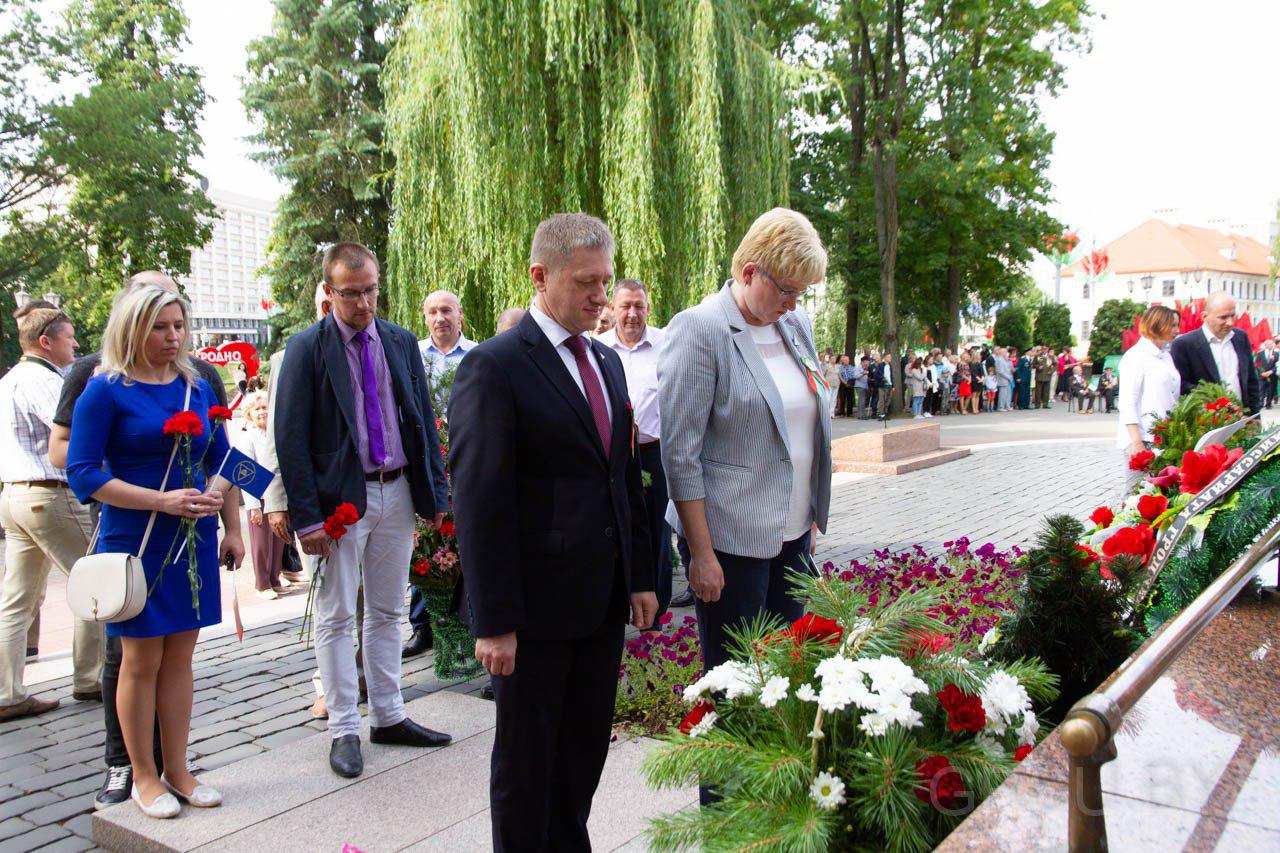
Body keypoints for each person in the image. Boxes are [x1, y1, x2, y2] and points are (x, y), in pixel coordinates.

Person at [449, 213, 656, 851]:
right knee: (526, 764)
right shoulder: (496, 366)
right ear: (541, 278)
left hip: (599, 600)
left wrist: (643, 576)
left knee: (584, 749)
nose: (601, 296)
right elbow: (481, 501)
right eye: (586, 282)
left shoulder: (606, 362)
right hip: (533, 612)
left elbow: (624, 477)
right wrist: (494, 619)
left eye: (606, 280)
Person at [47, 271, 230, 811]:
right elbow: (81, 473)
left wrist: (216, 494)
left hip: (192, 536)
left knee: (181, 659)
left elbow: (224, 456)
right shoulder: (104, 389)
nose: (173, 337)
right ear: (132, 329)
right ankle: (143, 776)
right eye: (159, 328)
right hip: (135, 537)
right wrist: (162, 500)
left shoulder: (194, 385)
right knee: (139, 660)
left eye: (179, 326)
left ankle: (180, 770)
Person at [276, 242, 452, 780]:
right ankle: (343, 728)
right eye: (351, 293)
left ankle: (390, 716)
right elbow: (292, 436)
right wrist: (306, 517)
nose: (363, 303)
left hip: (397, 491)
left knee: (387, 611)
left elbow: (421, 419)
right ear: (329, 294)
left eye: (371, 290)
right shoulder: (306, 349)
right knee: (335, 616)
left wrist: (435, 496)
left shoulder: (398, 340)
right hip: (339, 502)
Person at [660, 206, 831, 687]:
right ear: (749, 270)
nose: (794, 304)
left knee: (786, 677)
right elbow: (680, 455)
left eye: (802, 292)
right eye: (787, 289)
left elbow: (804, 426)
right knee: (738, 682)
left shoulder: (796, 328)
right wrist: (701, 554)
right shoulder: (699, 329)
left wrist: (809, 512)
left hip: (793, 533)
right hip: (728, 542)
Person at [0, 305, 103, 722]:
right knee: (95, 582)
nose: (75, 344)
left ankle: (7, 692)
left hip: (16, 494)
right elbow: (71, 433)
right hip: (49, 494)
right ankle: (92, 676)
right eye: (69, 336)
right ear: (46, 341)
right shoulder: (44, 380)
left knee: (19, 597)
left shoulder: (9, 379)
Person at [405, 290, 476, 659]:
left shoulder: (479, 356)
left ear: (459, 314)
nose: (440, 318)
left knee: (465, 546)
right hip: (427, 466)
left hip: (467, 463)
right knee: (424, 544)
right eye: (432, 311)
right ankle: (422, 626)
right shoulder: (412, 356)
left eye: (446, 310)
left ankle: (465, 623)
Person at [598, 279, 673, 623]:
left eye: (638, 306)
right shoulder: (596, 348)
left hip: (655, 453)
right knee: (616, 527)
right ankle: (618, 603)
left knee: (657, 530)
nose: (632, 313)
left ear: (648, 308)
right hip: (611, 458)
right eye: (625, 306)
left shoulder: (667, 345)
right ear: (612, 308)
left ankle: (656, 611)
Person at [1117, 306, 1181, 491]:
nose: (1177, 330)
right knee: (1138, 495)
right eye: (1173, 326)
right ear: (1157, 325)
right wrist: (1136, 443)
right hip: (1143, 438)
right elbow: (1127, 401)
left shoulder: (1165, 355)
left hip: (1164, 436)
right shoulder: (1136, 357)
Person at [1170, 291, 1262, 415]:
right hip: (1206, 422)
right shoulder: (1184, 344)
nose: (1230, 322)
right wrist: (1213, 397)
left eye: (1232, 316)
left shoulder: (1241, 338)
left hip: (1242, 420)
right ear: (1204, 316)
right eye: (1223, 317)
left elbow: (1251, 380)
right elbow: (1181, 386)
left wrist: (1255, 416)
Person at [234, 392, 288, 599]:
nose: (262, 412)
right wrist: (253, 505)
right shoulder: (246, 436)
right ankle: (262, 584)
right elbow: (244, 474)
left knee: (278, 539)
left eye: (265, 407)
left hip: (277, 492)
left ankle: (275, 578)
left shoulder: (275, 433)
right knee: (261, 542)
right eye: (257, 409)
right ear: (248, 413)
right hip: (258, 493)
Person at [1255, 338, 1278, 409]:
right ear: (1265, 345)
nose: (1270, 345)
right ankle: (1260, 403)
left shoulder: (1276, 354)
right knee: (1261, 389)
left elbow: (1277, 364)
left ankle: (1268, 404)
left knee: (1271, 389)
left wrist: (1271, 371)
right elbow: (1257, 364)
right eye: (1268, 344)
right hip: (1262, 375)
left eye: (1271, 344)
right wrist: (1262, 372)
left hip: (1272, 375)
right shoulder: (1260, 353)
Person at [994, 347, 1013, 411]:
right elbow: (1000, 371)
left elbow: (1009, 368)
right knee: (1003, 394)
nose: (1006, 353)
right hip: (1003, 379)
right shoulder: (999, 360)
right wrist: (1008, 377)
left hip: (1008, 379)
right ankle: (1001, 407)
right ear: (1002, 353)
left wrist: (1010, 376)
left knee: (1008, 393)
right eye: (1005, 352)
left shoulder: (1005, 359)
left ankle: (1007, 405)